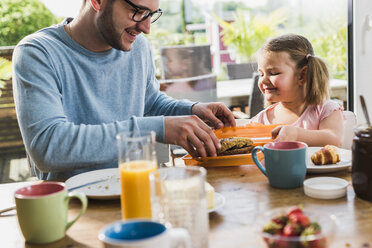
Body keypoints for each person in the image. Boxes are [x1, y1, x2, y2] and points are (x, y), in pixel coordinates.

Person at [12, 0, 235, 181]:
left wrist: (192, 110)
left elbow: (149, 103)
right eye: (137, 11)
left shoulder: (138, 47)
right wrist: (159, 127)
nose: (146, 28)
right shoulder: (38, 53)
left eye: (152, 15)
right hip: (73, 205)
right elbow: (49, 147)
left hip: (139, 187)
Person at [250, 34, 344, 147]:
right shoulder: (260, 120)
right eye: (261, 74)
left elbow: (334, 140)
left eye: (274, 73)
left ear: (302, 76)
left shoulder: (325, 110)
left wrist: (296, 134)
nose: (263, 80)